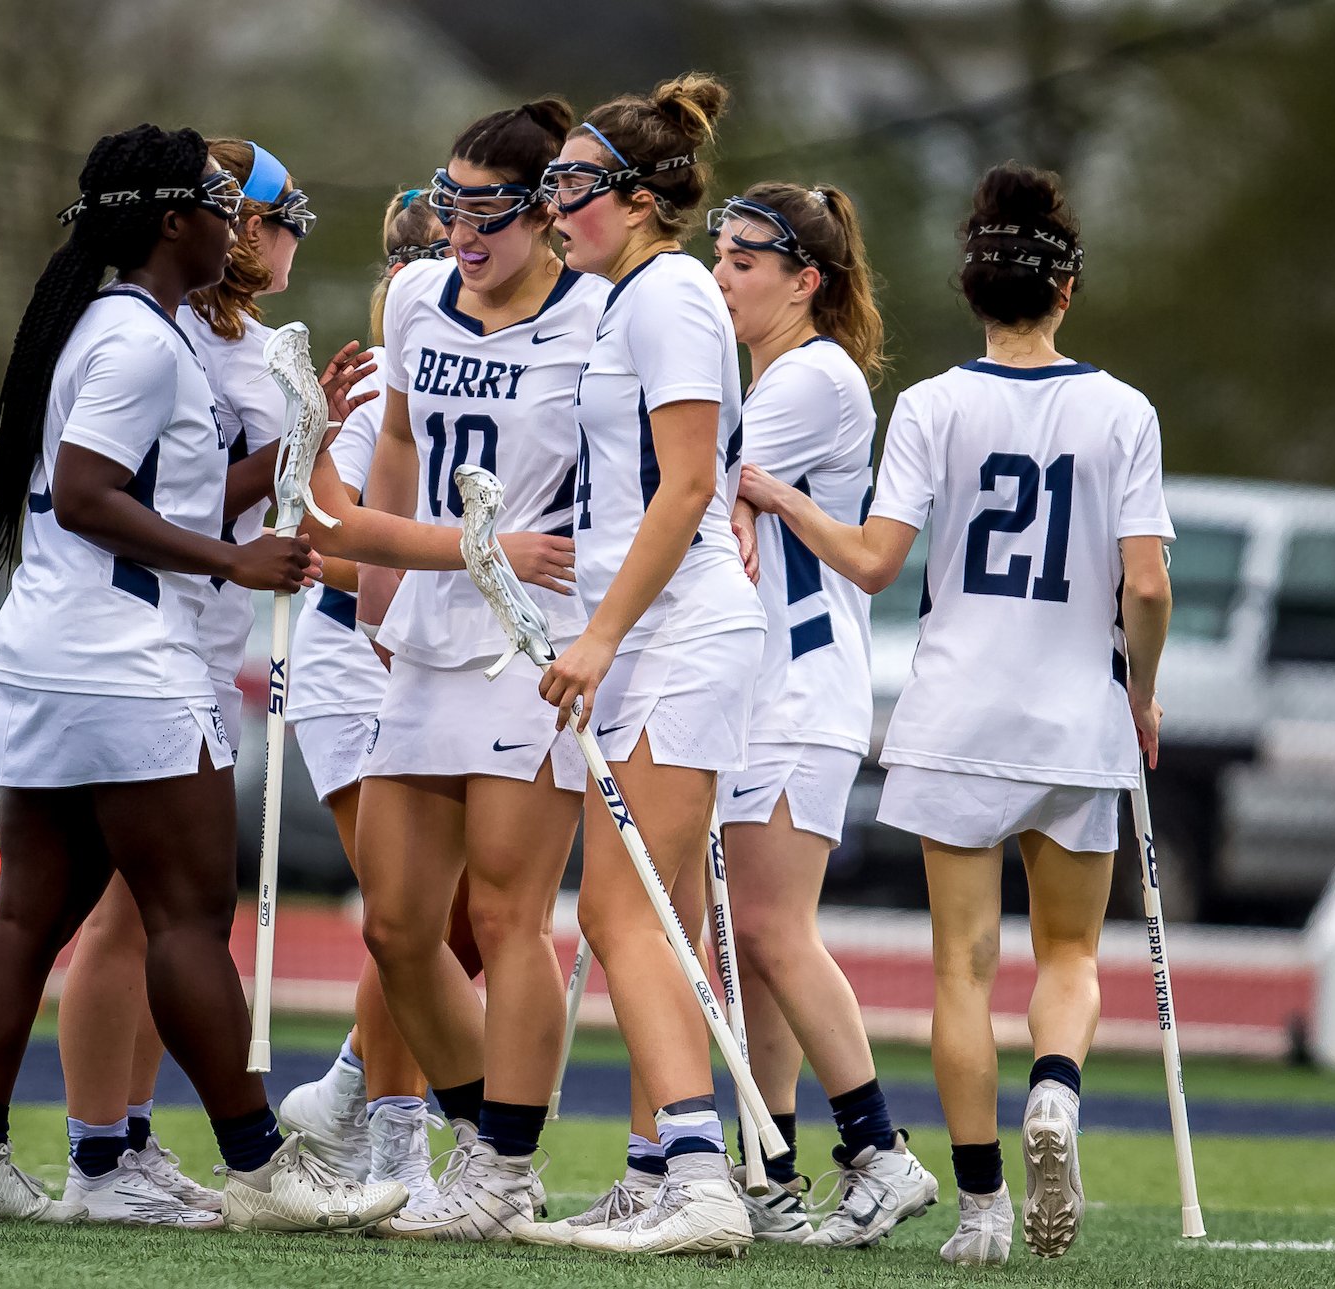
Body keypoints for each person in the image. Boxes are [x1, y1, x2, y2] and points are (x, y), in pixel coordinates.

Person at [0, 122, 407, 1232]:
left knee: (30, 910)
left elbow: (157, 487)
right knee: (189, 914)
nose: (233, 220)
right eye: (214, 200)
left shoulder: (123, 328)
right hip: (125, 660)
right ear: (169, 221)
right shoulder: (143, 341)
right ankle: (262, 1166)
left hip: (61, 651)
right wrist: (232, 559)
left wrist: (298, 439)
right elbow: (95, 494)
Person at [739, 161, 1174, 1265]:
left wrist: (783, 495)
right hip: (1076, 719)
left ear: (976, 293)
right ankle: (1059, 1095)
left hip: (953, 718)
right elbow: (1149, 586)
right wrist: (1142, 690)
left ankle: (980, 1208)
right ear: (1066, 292)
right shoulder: (1123, 409)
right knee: (1068, 950)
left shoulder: (930, 404)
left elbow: (878, 563)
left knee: (960, 968)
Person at [304, 99, 604, 1242]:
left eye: (487, 210)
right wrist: (378, 596)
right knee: (394, 925)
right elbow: (396, 441)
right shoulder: (418, 298)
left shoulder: (600, 322)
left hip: (533, 642)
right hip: (426, 636)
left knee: (507, 914)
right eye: (451, 203)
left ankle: (504, 1166)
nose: (462, 231)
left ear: (544, 213)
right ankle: (490, 1144)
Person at [47, 136, 342, 1227]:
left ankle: (113, 1143)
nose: (282, 232)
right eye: (273, 211)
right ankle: (105, 1152)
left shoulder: (234, 340)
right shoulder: (165, 339)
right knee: (133, 914)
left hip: (194, 644)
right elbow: (186, 502)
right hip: (151, 644)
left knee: (116, 912)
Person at [517, 73, 767, 1257]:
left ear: (637, 196)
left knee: (625, 916)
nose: (553, 201)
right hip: (651, 630)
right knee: (648, 916)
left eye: (572, 182)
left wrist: (602, 634)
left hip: (680, 635)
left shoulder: (667, 296)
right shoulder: (624, 299)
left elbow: (688, 484)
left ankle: (703, 1179)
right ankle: (656, 1170)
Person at [707, 182, 938, 1246]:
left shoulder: (814, 376)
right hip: (759, 684)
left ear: (807, 280)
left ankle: (881, 1151)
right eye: (719, 254)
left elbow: (687, 472)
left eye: (746, 260)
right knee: (748, 944)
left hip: (800, 685)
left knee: (768, 927)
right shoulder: (773, 372)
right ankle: (770, 1165)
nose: (722, 274)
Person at [279, 188, 481, 1199]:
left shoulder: (485, 376)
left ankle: (349, 1091)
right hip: (351, 669)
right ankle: (395, 1146)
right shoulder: (377, 393)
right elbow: (335, 544)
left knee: (468, 925)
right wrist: (467, 566)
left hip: (435, 668)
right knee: (413, 915)